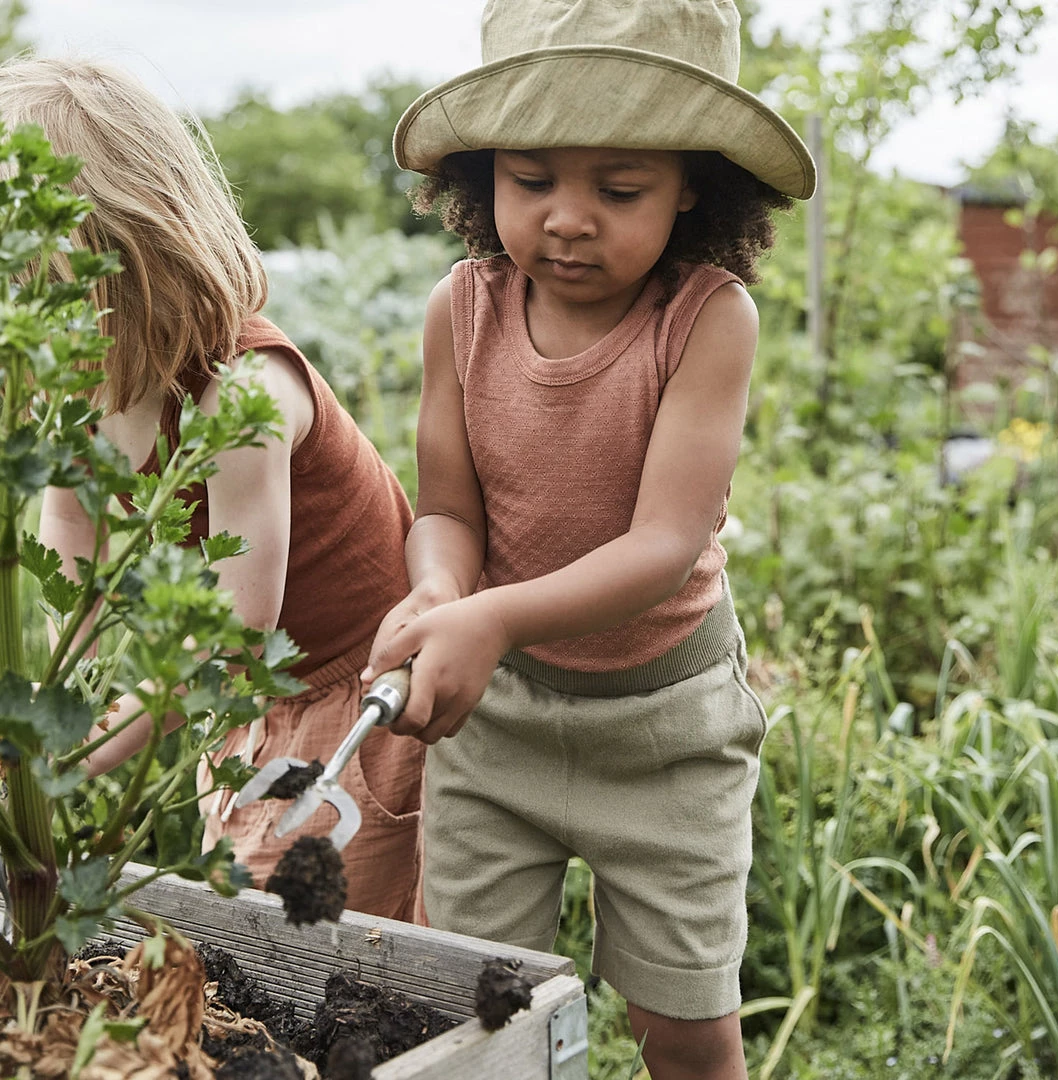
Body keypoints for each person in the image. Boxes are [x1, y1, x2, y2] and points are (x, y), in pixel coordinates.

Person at [362, 0, 816, 1075]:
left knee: (687, 1035)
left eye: (619, 190)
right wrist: (439, 593)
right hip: (497, 722)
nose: (569, 218)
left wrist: (492, 615)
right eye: (531, 180)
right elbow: (449, 513)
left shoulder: (706, 319)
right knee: (474, 1020)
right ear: (480, 178)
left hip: (666, 732)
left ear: (694, 186)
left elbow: (665, 542)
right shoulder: (459, 310)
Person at [3, 56, 426, 923]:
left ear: (132, 254)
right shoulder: (77, 381)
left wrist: (66, 760)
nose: (21, 313)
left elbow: (232, 641)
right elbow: (71, 546)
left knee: (315, 930)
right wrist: (48, 703)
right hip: (253, 706)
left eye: (34, 284)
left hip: (349, 694)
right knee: (251, 891)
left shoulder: (244, 394)